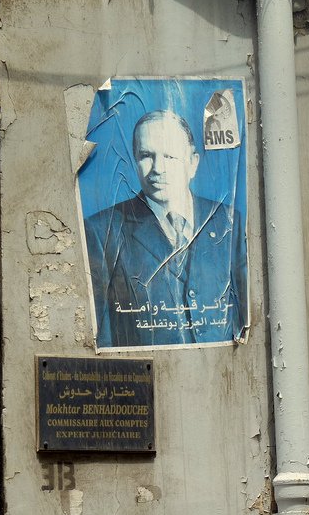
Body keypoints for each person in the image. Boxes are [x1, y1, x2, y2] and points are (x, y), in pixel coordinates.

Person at [83, 110, 246, 348]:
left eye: (169, 156)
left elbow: (246, 315)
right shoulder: (102, 231)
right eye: (146, 155)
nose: (158, 169)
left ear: (192, 163)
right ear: (135, 160)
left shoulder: (228, 222)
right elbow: (102, 339)